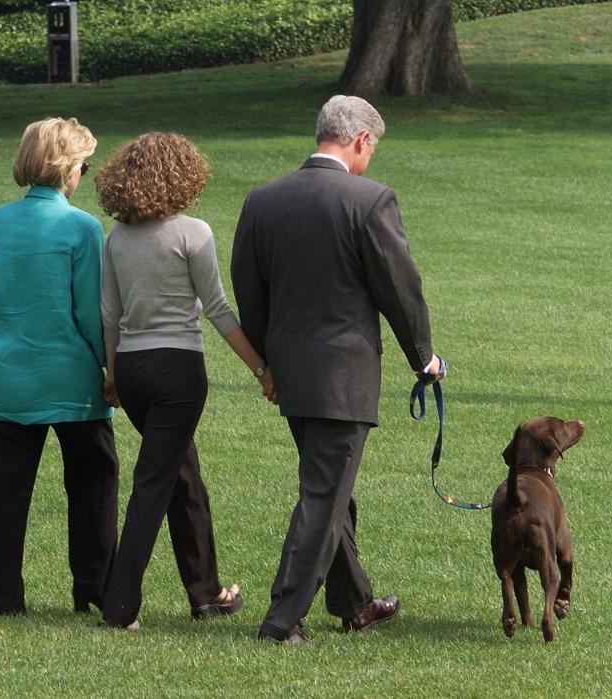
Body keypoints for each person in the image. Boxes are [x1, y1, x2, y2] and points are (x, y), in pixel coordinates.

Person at [230, 95, 445, 644]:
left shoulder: (262, 200)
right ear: (361, 141)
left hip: (289, 372)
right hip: (342, 376)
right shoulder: (370, 201)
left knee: (331, 487)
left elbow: (248, 289)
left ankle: (355, 602)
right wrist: (424, 358)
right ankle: (282, 620)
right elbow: (401, 289)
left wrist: (265, 363)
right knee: (324, 496)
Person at [96, 132, 274, 630]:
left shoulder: (117, 237)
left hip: (131, 370)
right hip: (177, 373)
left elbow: (110, 313)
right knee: (154, 483)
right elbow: (217, 310)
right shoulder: (194, 233)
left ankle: (207, 592)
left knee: (181, 476)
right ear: (183, 175)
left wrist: (111, 373)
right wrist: (261, 370)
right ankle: (120, 606)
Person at [0, 117, 120, 616]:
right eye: (84, 164)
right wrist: (110, 369)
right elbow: (88, 312)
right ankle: (94, 591)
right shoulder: (81, 227)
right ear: (69, 169)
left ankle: (5, 599)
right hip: (71, 379)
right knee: (93, 487)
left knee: (5, 497)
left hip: (5, 376)